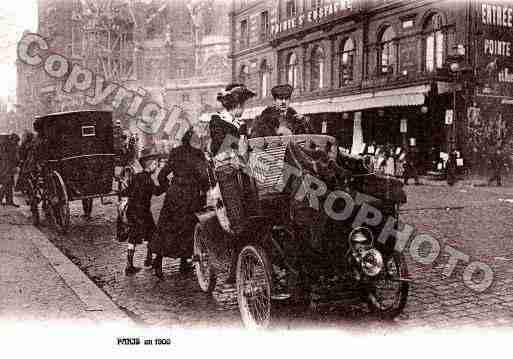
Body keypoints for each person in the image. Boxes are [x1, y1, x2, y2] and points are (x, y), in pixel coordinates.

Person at [150, 128, 210, 278]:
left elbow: (162, 175)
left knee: (166, 228)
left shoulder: (175, 152)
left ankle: (158, 261)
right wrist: (205, 189)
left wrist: (167, 188)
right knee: (188, 229)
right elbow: (204, 177)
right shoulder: (198, 154)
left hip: (174, 195)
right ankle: (184, 263)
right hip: (190, 195)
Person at [120, 147, 166, 276]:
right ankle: (148, 259)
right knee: (152, 234)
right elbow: (156, 192)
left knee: (134, 237)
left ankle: (131, 264)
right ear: (150, 164)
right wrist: (166, 186)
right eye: (155, 164)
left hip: (133, 210)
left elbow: (127, 191)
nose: (156, 166)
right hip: (142, 212)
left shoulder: (137, 176)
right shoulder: (147, 179)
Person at [209, 83, 256, 157]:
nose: (244, 109)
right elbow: (218, 149)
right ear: (238, 105)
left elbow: (247, 149)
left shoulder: (240, 124)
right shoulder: (218, 122)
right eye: (244, 105)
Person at [0, 133, 20, 206]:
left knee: (9, 184)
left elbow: (15, 158)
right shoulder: (6, 147)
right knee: (6, 183)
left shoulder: (11, 146)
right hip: (5, 168)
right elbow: (6, 159)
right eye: (16, 141)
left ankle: (9, 201)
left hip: (9, 168)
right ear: (12, 140)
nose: (16, 143)